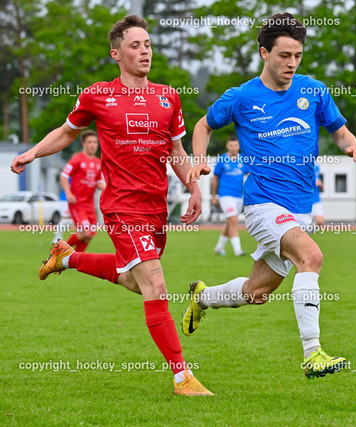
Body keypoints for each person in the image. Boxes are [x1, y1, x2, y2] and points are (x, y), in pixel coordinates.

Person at [10, 15, 211, 396]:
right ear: (116, 53)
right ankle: (182, 377)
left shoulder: (168, 96)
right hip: (121, 207)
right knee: (155, 284)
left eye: (148, 44)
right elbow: (67, 132)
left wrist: (193, 185)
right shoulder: (98, 95)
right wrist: (33, 152)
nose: (144, 51)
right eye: (135, 46)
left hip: (156, 207)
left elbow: (177, 151)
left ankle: (66, 258)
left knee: (133, 280)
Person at [182, 13, 356, 379]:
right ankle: (313, 352)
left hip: (299, 207)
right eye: (284, 55)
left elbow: (341, 132)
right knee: (311, 256)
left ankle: (202, 297)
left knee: (257, 291)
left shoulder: (313, 91)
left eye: (297, 55)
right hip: (263, 203)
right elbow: (203, 125)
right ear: (264, 53)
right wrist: (201, 161)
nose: (292, 63)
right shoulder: (241, 97)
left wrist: (353, 147)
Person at [58, 130, 106, 251]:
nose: (93, 145)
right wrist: (68, 194)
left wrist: (111, 189)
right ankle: (59, 251)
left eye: (95, 142)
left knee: (89, 236)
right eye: (89, 142)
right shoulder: (77, 159)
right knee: (85, 232)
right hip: (77, 203)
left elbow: (98, 182)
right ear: (84, 144)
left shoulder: (97, 162)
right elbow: (64, 176)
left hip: (90, 204)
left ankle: (76, 260)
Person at [212, 134, 246, 256]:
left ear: (239, 146)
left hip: (239, 196)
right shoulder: (221, 159)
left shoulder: (243, 159)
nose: (233, 148)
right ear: (227, 146)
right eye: (231, 145)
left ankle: (219, 247)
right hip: (225, 195)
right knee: (233, 219)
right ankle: (238, 250)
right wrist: (213, 196)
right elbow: (215, 179)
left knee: (230, 222)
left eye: (235, 145)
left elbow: (248, 176)